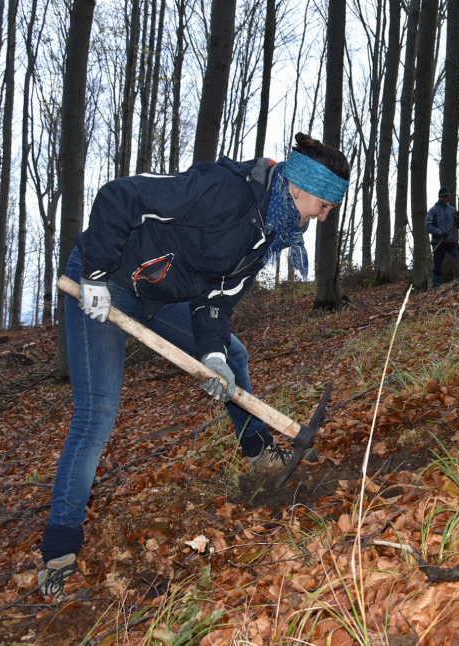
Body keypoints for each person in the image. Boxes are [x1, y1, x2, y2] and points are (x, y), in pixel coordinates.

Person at [37, 133, 350, 600]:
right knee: (97, 413)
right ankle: (58, 551)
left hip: (157, 295)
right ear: (299, 188)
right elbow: (121, 196)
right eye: (324, 205)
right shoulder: (225, 190)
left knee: (234, 355)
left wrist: (213, 355)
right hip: (105, 280)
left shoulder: (265, 234)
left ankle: (260, 452)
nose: (323, 217)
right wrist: (97, 272)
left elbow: (216, 300)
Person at [424, 187, 459, 288]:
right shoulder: (433, 210)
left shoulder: (452, 210)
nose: (445, 199)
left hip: (450, 242)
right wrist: (440, 232)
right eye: (443, 197)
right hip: (438, 242)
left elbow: (458, 225)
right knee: (437, 265)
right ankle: (436, 287)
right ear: (440, 197)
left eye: (447, 197)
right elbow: (427, 226)